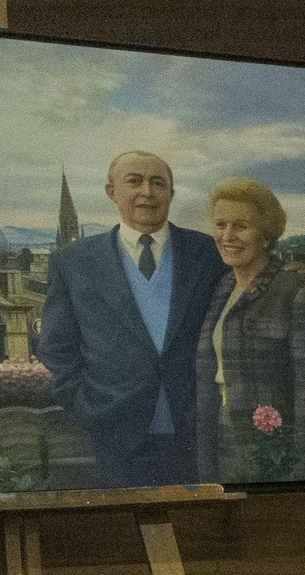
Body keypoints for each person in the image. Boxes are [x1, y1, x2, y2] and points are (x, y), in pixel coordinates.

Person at [34, 150, 229, 488]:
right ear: (112, 192)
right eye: (134, 182)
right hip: (113, 431)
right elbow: (55, 345)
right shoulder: (73, 261)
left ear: (171, 192)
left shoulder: (208, 253)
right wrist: (83, 403)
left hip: (195, 429)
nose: (147, 192)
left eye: (158, 183)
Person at [194, 177, 305, 482]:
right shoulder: (222, 288)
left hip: (270, 452)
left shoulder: (297, 289)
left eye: (241, 226)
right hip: (221, 444)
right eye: (220, 225)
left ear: (267, 235)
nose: (227, 236)